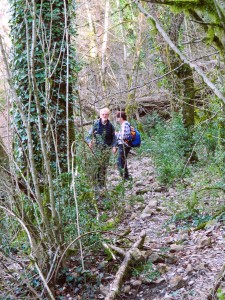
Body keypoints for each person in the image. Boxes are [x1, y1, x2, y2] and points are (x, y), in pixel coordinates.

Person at [86, 107, 117, 189]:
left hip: (106, 149)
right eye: (103, 114)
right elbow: (88, 136)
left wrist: (114, 146)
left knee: (104, 166)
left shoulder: (111, 126)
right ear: (100, 115)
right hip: (97, 149)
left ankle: (102, 184)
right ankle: (95, 185)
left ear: (108, 115)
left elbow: (114, 137)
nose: (104, 116)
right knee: (97, 166)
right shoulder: (96, 124)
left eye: (106, 114)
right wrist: (90, 142)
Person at [116, 111, 132, 180]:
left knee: (120, 161)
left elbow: (123, 137)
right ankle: (126, 176)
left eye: (117, 117)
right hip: (125, 145)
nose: (117, 119)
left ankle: (125, 177)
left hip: (123, 145)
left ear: (121, 118)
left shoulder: (124, 125)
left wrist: (116, 134)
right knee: (122, 161)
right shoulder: (126, 124)